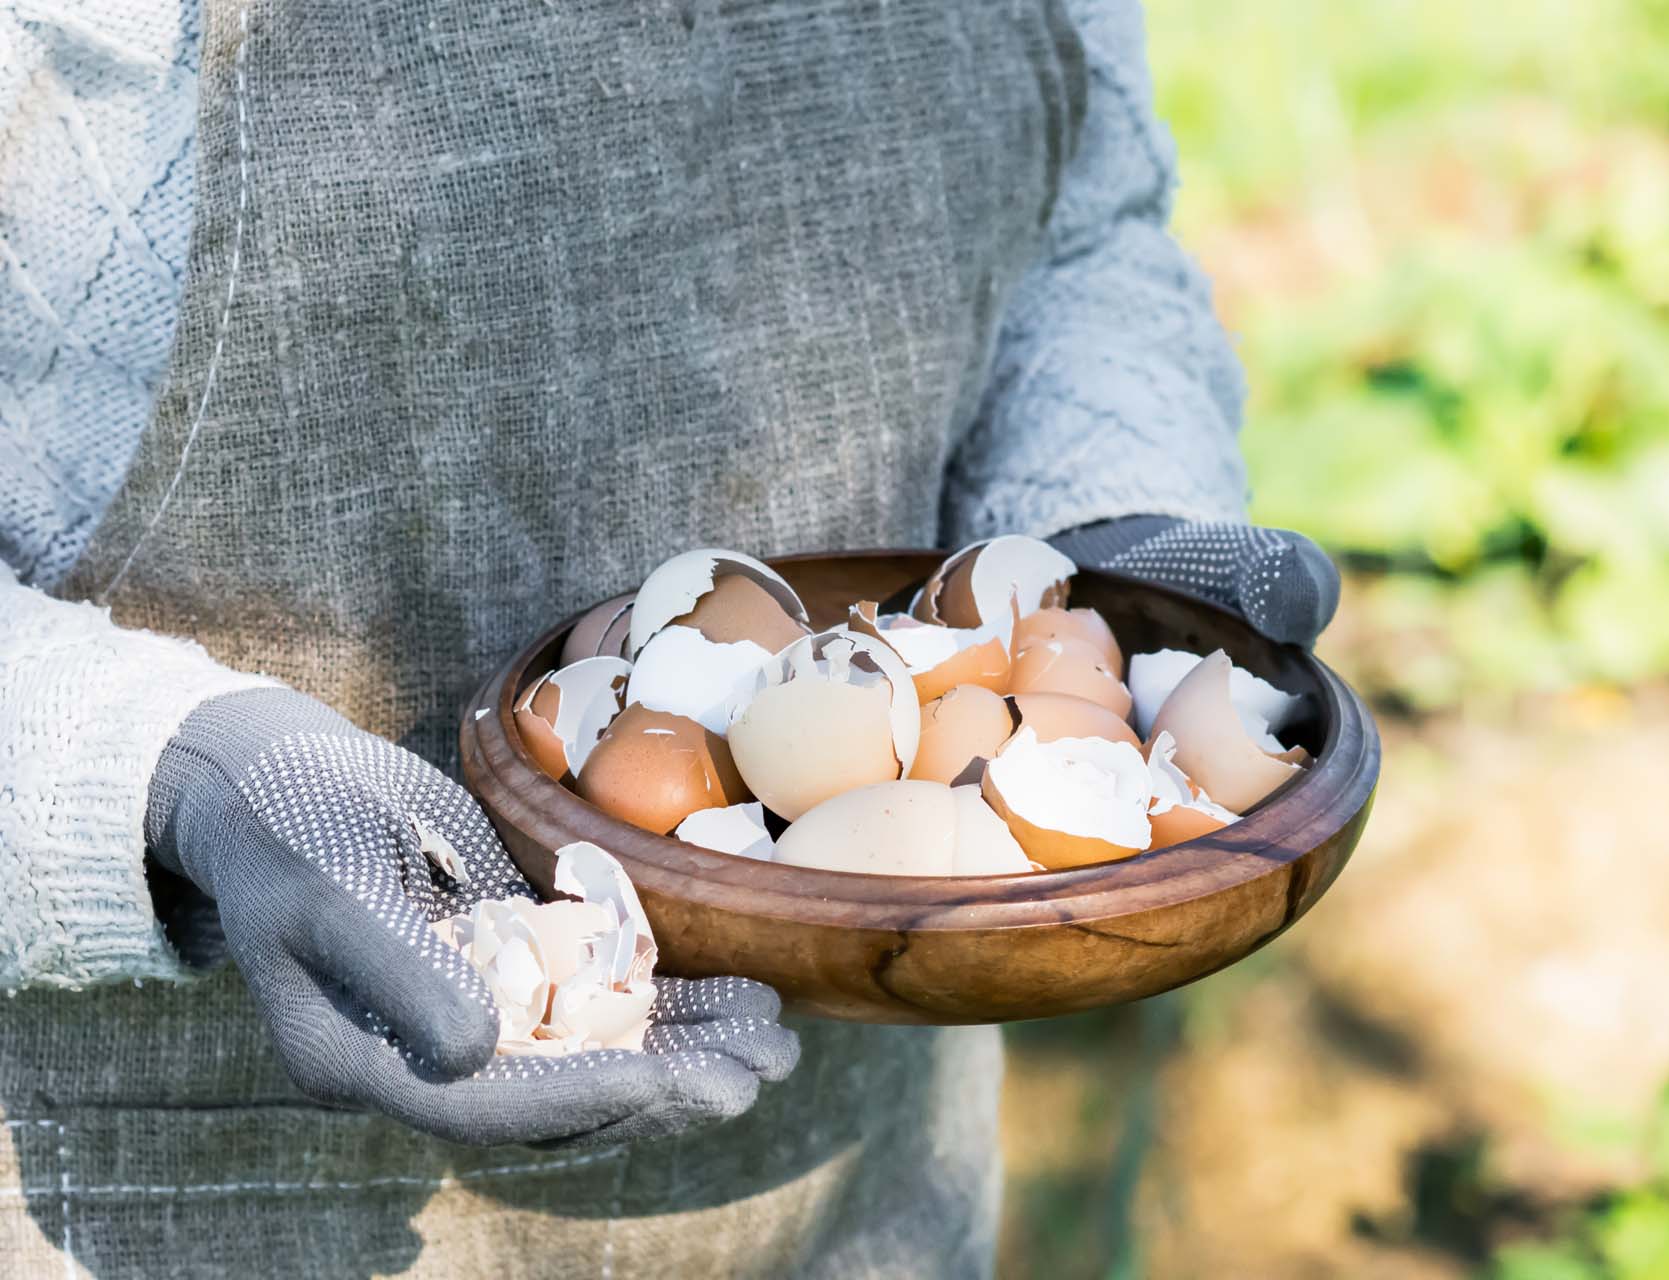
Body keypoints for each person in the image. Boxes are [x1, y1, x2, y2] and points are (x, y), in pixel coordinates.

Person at [0, 0, 1338, 1273]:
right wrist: (165, 781)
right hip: (161, 1196)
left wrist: (1078, 570)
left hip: (860, 1178)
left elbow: (1082, 225)